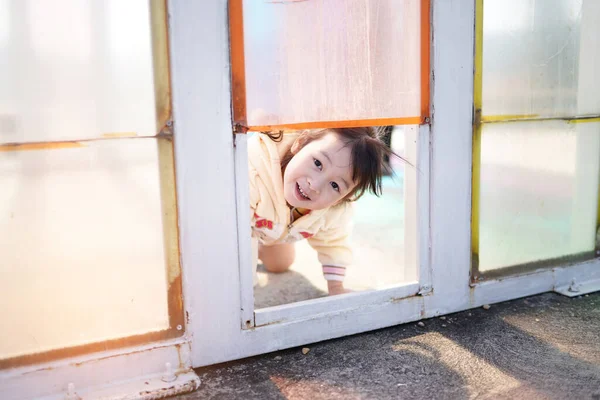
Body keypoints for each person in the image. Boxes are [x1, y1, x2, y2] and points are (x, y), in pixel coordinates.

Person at [248, 127, 394, 295]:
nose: (315, 185)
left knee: (280, 263)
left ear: (343, 197)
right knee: (245, 274)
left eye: (335, 185)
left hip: (273, 229)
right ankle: (254, 243)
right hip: (242, 225)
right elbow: (230, 226)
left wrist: (336, 288)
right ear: (300, 143)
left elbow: (333, 244)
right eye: (318, 163)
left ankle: (261, 245)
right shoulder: (254, 171)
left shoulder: (333, 211)